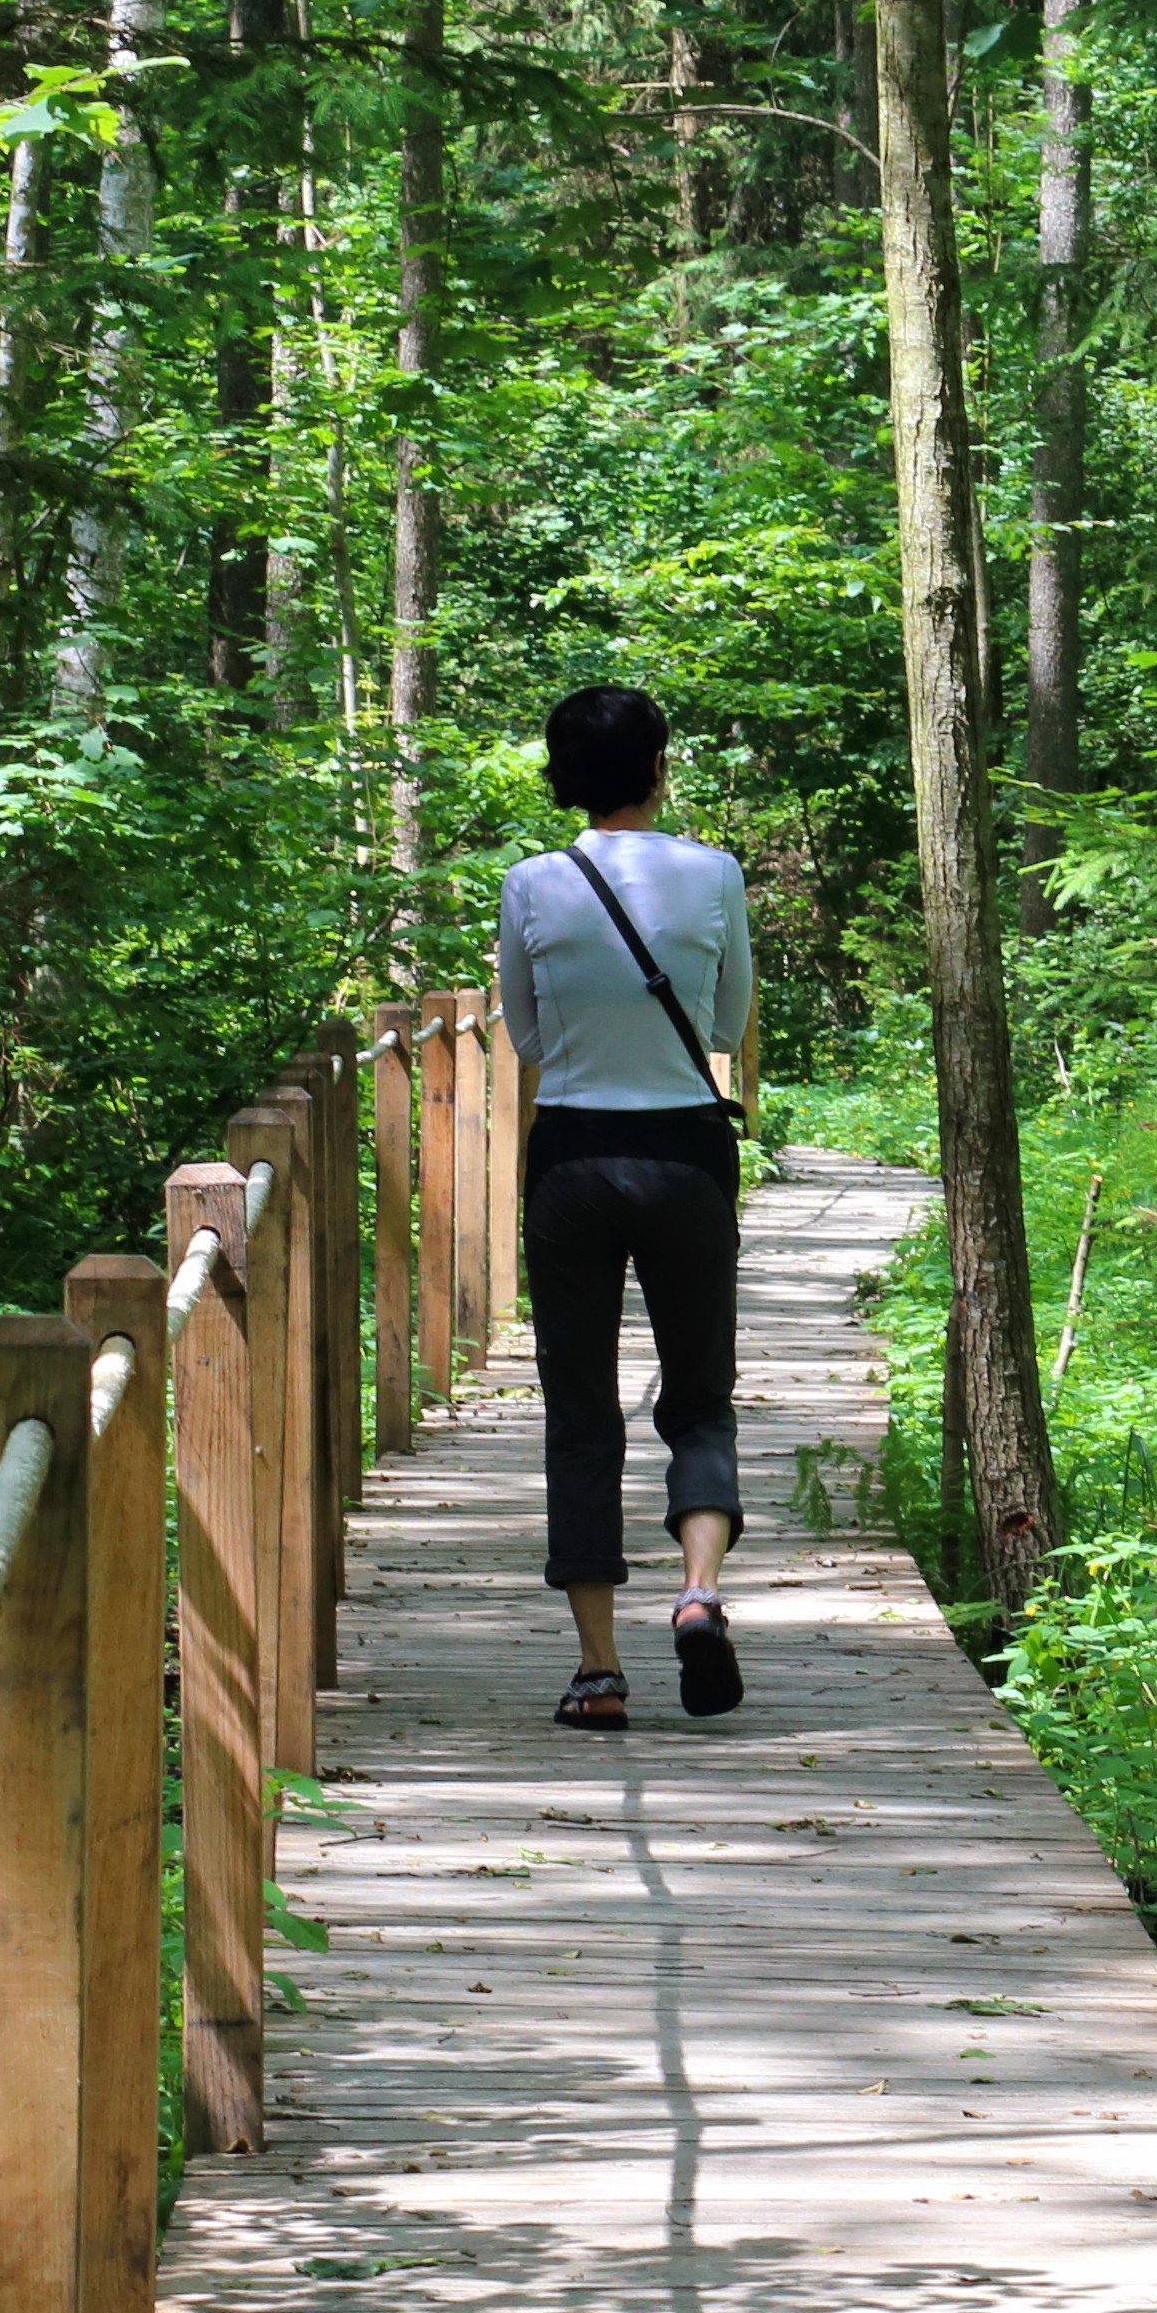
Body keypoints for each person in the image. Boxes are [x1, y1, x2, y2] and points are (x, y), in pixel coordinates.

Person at [491, 684, 760, 1725]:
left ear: (563, 773)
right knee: (699, 1396)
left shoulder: (531, 883)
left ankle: (599, 1670)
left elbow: (524, 1036)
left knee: (580, 1410)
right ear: (659, 765)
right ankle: (698, 1593)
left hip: (572, 1158)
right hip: (687, 1154)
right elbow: (728, 1017)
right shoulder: (716, 874)